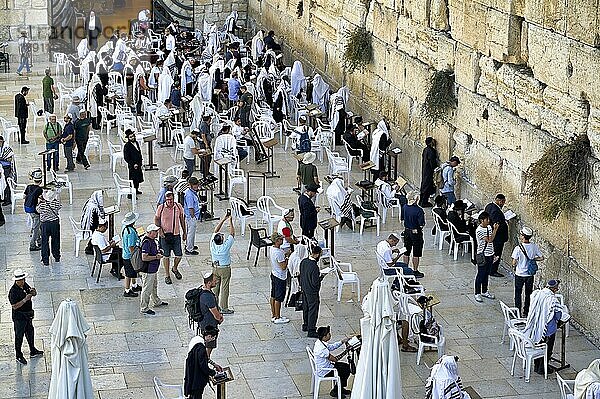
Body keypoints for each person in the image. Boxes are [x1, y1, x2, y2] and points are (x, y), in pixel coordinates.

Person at [523, 279, 570, 375]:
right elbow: (558, 314)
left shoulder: (538, 293)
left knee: (539, 345)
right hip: (548, 329)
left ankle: (537, 366)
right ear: (553, 289)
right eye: (556, 289)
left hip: (537, 325)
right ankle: (542, 368)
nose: (556, 290)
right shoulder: (551, 299)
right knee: (547, 349)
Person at [8, 268, 44, 365]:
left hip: (28, 315)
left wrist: (33, 292)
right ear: (16, 281)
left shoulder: (24, 285)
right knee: (19, 336)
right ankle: (18, 355)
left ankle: (33, 350)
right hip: (19, 318)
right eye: (21, 280)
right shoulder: (13, 292)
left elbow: (32, 293)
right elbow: (14, 306)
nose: (23, 282)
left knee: (30, 333)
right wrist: (25, 299)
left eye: (23, 279)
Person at [154, 191, 186, 285]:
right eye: (168, 200)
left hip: (175, 234)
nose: (169, 202)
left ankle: (175, 268)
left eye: (171, 200)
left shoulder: (178, 207)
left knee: (179, 254)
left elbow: (182, 219)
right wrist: (159, 230)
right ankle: (167, 275)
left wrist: (184, 232)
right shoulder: (161, 208)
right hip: (164, 236)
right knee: (166, 256)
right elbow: (156, 219)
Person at [512, 226, 544, 317]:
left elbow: (514, 262)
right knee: (528, 293)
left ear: (523, 236)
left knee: (518, 293)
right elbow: (541, 257)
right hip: (529, 274)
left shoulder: (518, 248)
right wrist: (533, 259)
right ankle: (526, 312)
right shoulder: (534, 246)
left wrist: (514, 265)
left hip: (520, 274)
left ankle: (517, 312)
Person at [313, 326, 352, 397]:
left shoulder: (320, 342)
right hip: (325, 371)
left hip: (327, 365)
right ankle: (336, 390)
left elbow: (332, 347)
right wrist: (346, 351)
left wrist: (342, 341)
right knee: (346, 370)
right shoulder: (322, 349)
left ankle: (340, 387)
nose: (330, 335)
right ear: (324, 337)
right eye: (328, 334)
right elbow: (335, 359)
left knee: (345, 366)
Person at [210, 213, 235, 314]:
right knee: (225, 288)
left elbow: (215, 231)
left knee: (215, 288)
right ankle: (224, 307)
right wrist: (230, 221)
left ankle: (215, 306)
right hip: (224, 269)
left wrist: (223, 219)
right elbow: (232, 234)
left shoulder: (212, 244)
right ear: (221, 240)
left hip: (215, 267)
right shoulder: (225, 247)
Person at [140, 224, 168, 315]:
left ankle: (156, 301)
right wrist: (156, 257)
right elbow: (144, 257)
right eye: (155, 231)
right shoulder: (146, 242)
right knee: (147, 289)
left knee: (154, 286)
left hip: (153, 269)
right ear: (150, 232)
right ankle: (144, 307)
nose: (157, 233)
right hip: (148, 270)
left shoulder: (152, 240)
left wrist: (159, 252)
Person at [184, 333, 222, 399]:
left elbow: (204, 358)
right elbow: (203, 366)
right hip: (197, 379)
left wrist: (214, 364)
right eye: (213, 338)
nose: (212, 340)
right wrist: (213, 372)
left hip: (192, 375)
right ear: (209, 336)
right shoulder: (201, 348)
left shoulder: (196, 340)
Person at [474, 211, 498, 302]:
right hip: (483, 255)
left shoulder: (488, 227)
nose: (488, 221)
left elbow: (491, 241)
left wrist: (493, 254)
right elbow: (490, 240)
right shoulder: (479, 230)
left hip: (490, 254)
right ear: (481, 220)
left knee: (486, 274)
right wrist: (495, 229)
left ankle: (484, 291)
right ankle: (477, 293)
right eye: (486, 219)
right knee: (480, 274)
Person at [198, 272, 224, 357]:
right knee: (209, 346)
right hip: (209, 326)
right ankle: (205, 363)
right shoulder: (208, 297)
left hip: (204, 323)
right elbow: (216, 314)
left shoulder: (202, 290)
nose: (216, 282)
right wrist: (220, 318)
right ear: (209, 283)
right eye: (214, 281)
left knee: (208, 345)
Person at [300, 245, 324, 338]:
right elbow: (315, 282)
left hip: (304, 288)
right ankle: (311, 330)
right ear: (317, 254)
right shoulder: (314, 266)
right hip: (312, 291)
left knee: (306, 307)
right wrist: (321, 277)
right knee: (313, 309)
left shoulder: (304, 261)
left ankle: (306, 325)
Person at [484, 193, 508, 278]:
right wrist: (504, 223)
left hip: (493, 235)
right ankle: (493, 270)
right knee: (497, 253)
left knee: (493, 252)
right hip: (498, 237)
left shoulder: (489, 206)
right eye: (503, 202)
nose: (503, 204)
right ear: (499, 201)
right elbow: (496, 225)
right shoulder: (496, 211)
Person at [402, 192, 425, 278]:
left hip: (407, 231)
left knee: (406, 251)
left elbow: (402, 218)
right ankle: (415, 271)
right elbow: (421, 223)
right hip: (416, 232)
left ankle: (405, 269)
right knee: (416, 253)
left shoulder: (405, 207)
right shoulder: (419, 210)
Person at [270, 232, 291, 324]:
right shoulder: (279, 253)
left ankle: (274, 315)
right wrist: (287, 258)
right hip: (280, 277)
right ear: (277, 241)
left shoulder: (272, 249)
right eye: (281, 239)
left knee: (273, 295)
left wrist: (285, 255)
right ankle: (278, 317)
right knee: (279, 298)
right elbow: (283, 266)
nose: (282, 240)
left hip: (274, 274)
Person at [37, 188, 62, 266]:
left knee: (44, 242)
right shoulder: (56, 203)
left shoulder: (42, 205)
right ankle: (56, 256)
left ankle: (45, 260)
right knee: (56, 240)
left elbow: (37, 210)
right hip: (54, 223)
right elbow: (59, 207)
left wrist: (39, 202)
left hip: (45, 224)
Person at [121, 212, 142, 298]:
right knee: (129, 274)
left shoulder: (125, 228)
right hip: (130, 256)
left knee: (133, 272)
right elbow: (131, 247)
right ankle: (127, 290)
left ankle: (134, 285)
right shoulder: (131, 232)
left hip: (125, 254)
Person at [24, 169, 43, 251]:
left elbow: (24, 197)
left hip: (27, 208)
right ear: (41, 180)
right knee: (36, 229)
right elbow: (42, 199)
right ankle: (32, 245)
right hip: (35, 210)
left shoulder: (28, 187)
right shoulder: (39, 190)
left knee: (36, 226)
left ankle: (40, 241)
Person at [123, 129, 144, 195]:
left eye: (133, 136)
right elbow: (126, 157)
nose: (132, 138)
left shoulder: (136, 143)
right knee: (133, 179)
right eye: (130, 137)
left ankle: (136, 189)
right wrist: (133, 164)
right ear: (128, 138)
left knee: (138, 178)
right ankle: (131, 193)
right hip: (132, 165)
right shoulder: (127, 146)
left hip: (138, 163)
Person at [184, 176, 201, 255]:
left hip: (192, 216)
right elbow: (190, 208)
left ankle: (190, 245)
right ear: (190, 185)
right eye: (195, 185)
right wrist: (193, 217)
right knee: (191, 232)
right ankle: (189, 249)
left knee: (190, 232)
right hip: (191, 217)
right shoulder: (189, 195)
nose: (197, 186)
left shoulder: (191, 192)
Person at [419, 137, 438, 207]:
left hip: (425, 170)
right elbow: (432, 161)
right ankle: (424, 202)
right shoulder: (431, 151)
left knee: (424, 185)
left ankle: (421, 201)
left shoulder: (425, 149)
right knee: (426, 186)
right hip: (429, 171)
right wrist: (435, 169)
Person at [0, 136, 14, 206]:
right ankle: (2, 197)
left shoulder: (6, 148)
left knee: (7, 183)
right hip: (1, 167)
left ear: (2, 141)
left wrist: (2, 158)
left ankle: (7, 199)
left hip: (6, 167)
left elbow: (9, 159)